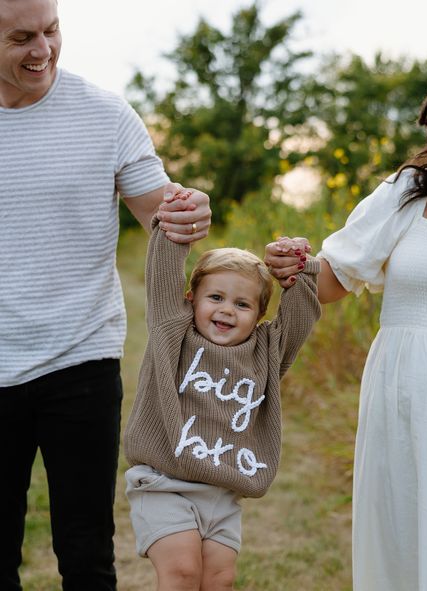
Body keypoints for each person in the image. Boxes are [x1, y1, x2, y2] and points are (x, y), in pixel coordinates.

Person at [0, 0, 211, 590]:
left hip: (81, 358)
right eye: (21, 38)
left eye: (52, 31)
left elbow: (160, 212)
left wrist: (187, 212)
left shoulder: (104, 114)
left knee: (86, 550)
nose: (42, 50)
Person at [264, 57, 427, 591]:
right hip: (403, 397)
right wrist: (295, 267)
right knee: (402, 535)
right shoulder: (406, 195)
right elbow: (334, 280)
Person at [123, 189, 321, 591]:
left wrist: (300, 271)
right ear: (191, 298)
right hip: (165, 483)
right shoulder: (172, 332)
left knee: (219, 579)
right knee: (181, 572)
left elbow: (299, 318)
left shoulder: (265, 352)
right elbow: (163, 272)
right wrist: (174, 225)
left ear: (259, 315)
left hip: (222, 494)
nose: (227, 310)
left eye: (242, 304)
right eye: (215, 297)